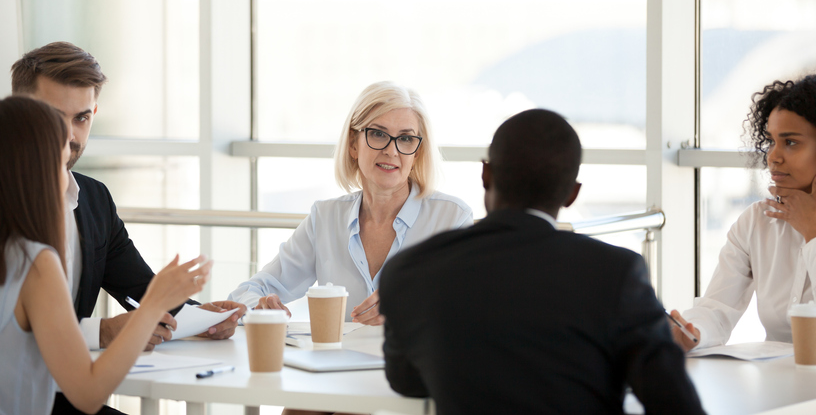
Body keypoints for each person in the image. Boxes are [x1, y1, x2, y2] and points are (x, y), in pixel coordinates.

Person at [379, 109, 705, 414]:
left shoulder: (410, 270)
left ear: (486, 173)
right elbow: (675, 403)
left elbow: (407, 381)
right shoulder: (615, 272)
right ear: (572, 194)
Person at [10, 41, 246, 414]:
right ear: (24, 115)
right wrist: (101, 331)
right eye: (55, 118)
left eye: (82, 118)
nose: (70, 136)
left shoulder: (94, 199)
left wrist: (201, 319)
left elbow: (141, 288)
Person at [229, 81, 473, 326]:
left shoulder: (452, 218)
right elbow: (250, 291)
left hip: (415, 363)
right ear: (353, 144)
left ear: (417, 152)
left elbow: (473, 310)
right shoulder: (325, 218)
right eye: (378, 134)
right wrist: (259, 306)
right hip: (338, 363)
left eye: (406, 138)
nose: (392, 150)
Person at [670, 73, 816, 351]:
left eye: (790, 142)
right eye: (771, 141)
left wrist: (815, 234)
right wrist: (693, 332)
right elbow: (717, 308)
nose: (773, 156)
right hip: (779, 386)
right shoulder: (757, 221)